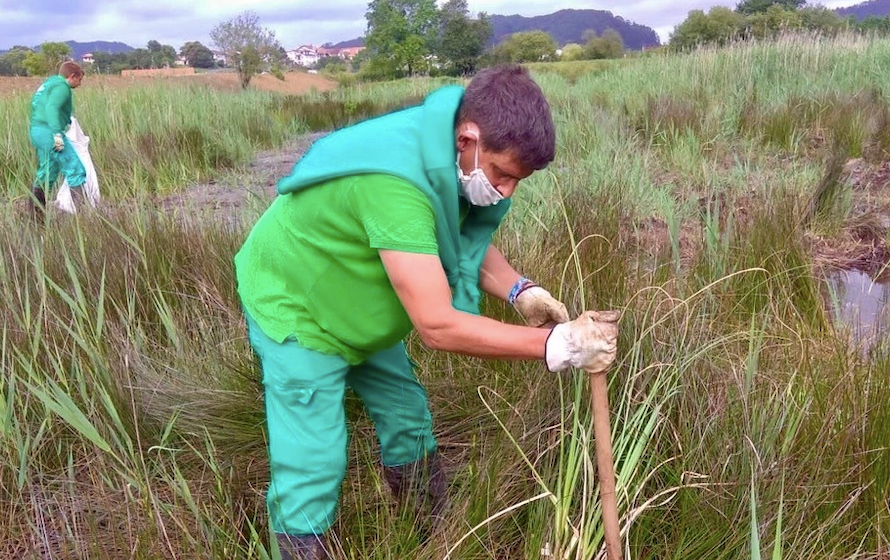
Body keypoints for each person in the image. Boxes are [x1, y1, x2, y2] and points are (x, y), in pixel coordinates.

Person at [234, 64, 621, 560]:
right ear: (469, 138)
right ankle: (302, 547)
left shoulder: (446, 157)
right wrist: (558, 345)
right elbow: (437, 325)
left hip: (363, 305)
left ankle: (429, 536)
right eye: (502, 173)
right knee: (314, 459)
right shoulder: (395, 183)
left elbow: (453, 236)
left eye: (517, 180)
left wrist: (521, 290)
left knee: (407, 415)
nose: (506, 191)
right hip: (298, 306)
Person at [28, 60, 87, 221]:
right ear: (72, 76)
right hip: (49, 132)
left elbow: (40, 107)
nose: (80, 84)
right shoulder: (62, 87)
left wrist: (65, 121)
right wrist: (56, 134)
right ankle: (85, 219)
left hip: (37, 130)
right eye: (79, 80)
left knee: (48, 171)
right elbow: (52, 107)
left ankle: (36, 218)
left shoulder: (49, 83)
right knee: (75, 168)